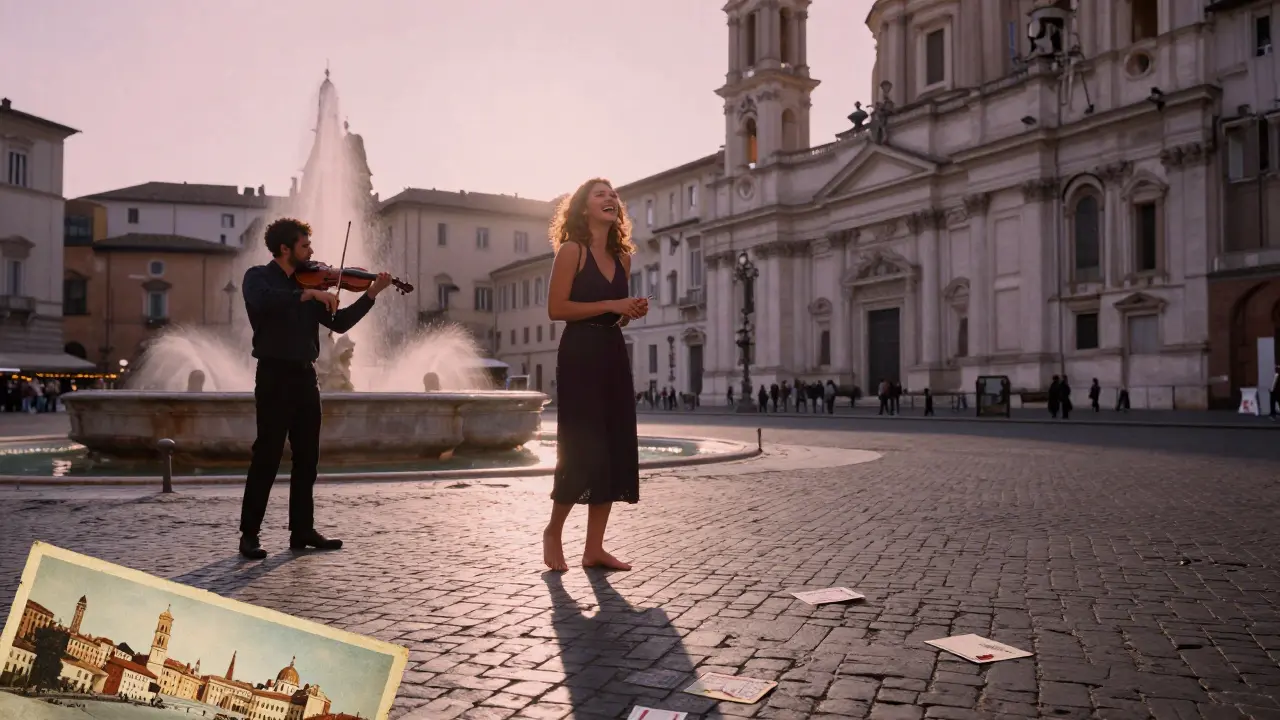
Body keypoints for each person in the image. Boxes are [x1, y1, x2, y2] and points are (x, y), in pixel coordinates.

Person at [237, 217, 393, 560]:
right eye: (305, 246)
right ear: (285, 248)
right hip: (274, 375)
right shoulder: (258, 278)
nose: (312, 252)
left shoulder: (311, 286)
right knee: (267, 455)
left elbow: (339, 322)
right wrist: (308, 293)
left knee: (308, 457)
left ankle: (302, 530)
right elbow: (265, 302)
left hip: (306, 377)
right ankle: (249, 534)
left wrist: (370, 294)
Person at [543, 179, 649, 572]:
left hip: (612, 351)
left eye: (614, 195)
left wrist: (628, 311)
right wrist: (612, 303)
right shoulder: (572, 250)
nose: (610, 199)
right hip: (579, 354)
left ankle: (594, 549)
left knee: (613, 443)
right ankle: (553, 531)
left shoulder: (623, 259)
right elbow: (556, 309)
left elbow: (613, 314)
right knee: (582, 446)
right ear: (583, 208)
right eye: (600, 194)